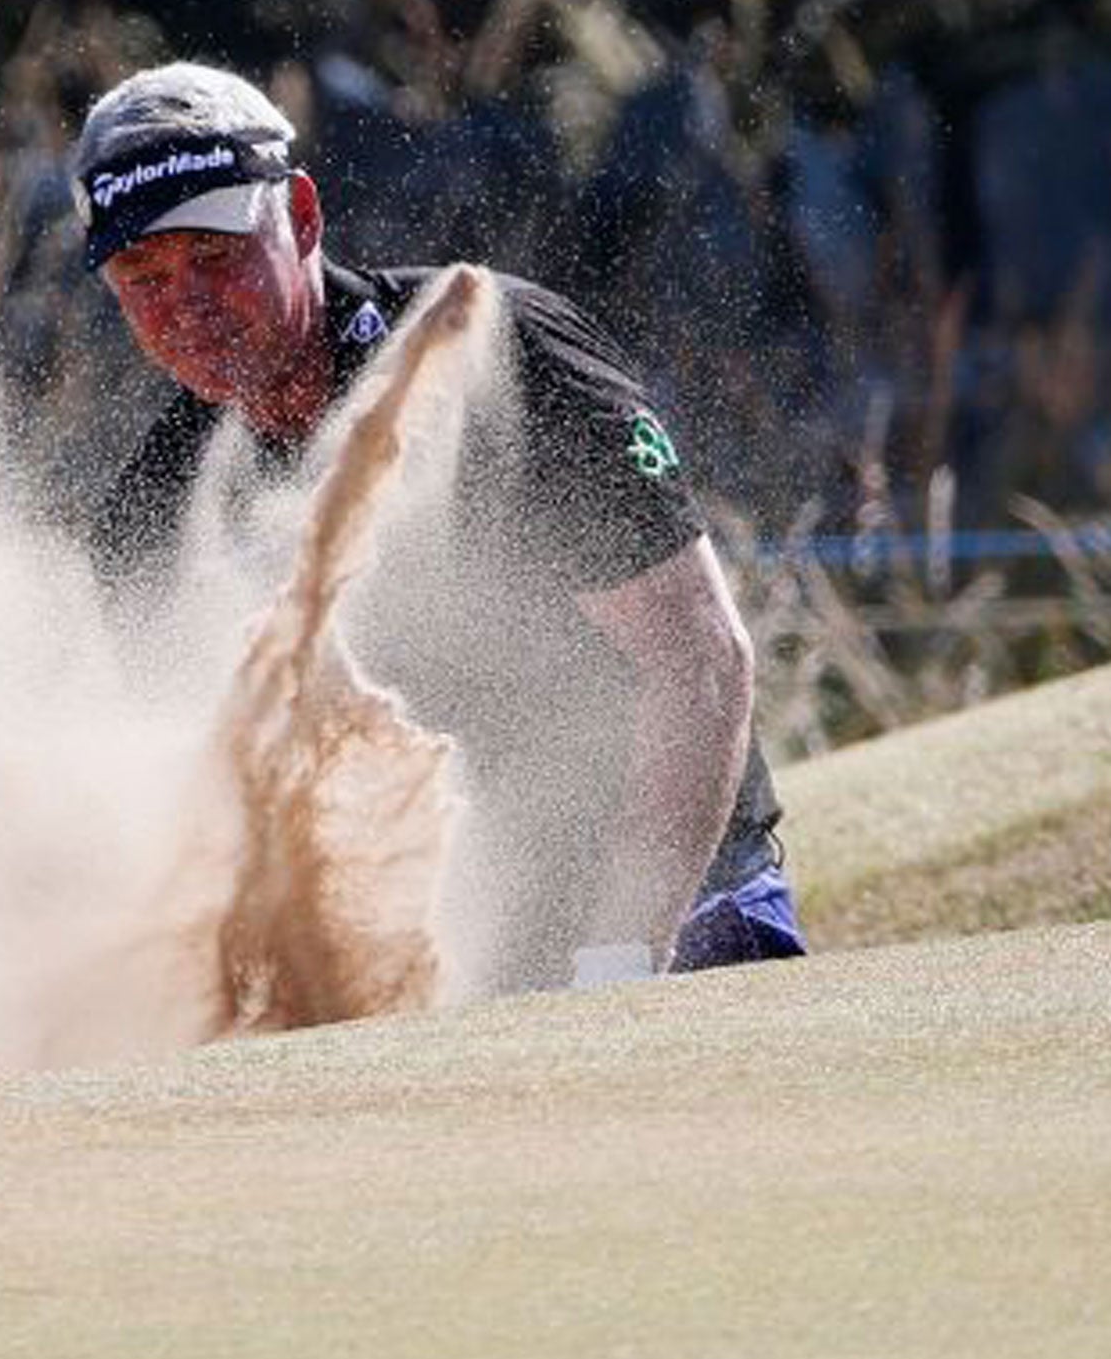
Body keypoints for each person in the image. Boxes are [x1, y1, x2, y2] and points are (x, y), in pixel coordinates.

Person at [75, 61, 804, 991]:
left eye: (218, 257)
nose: (188, 304)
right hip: (452, 955)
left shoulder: (500, 355)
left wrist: (623, 957)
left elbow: (697, 660)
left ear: (300, 217)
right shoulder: (156, 510)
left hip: (676, 914)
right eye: (144, 277)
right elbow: (202, 803)